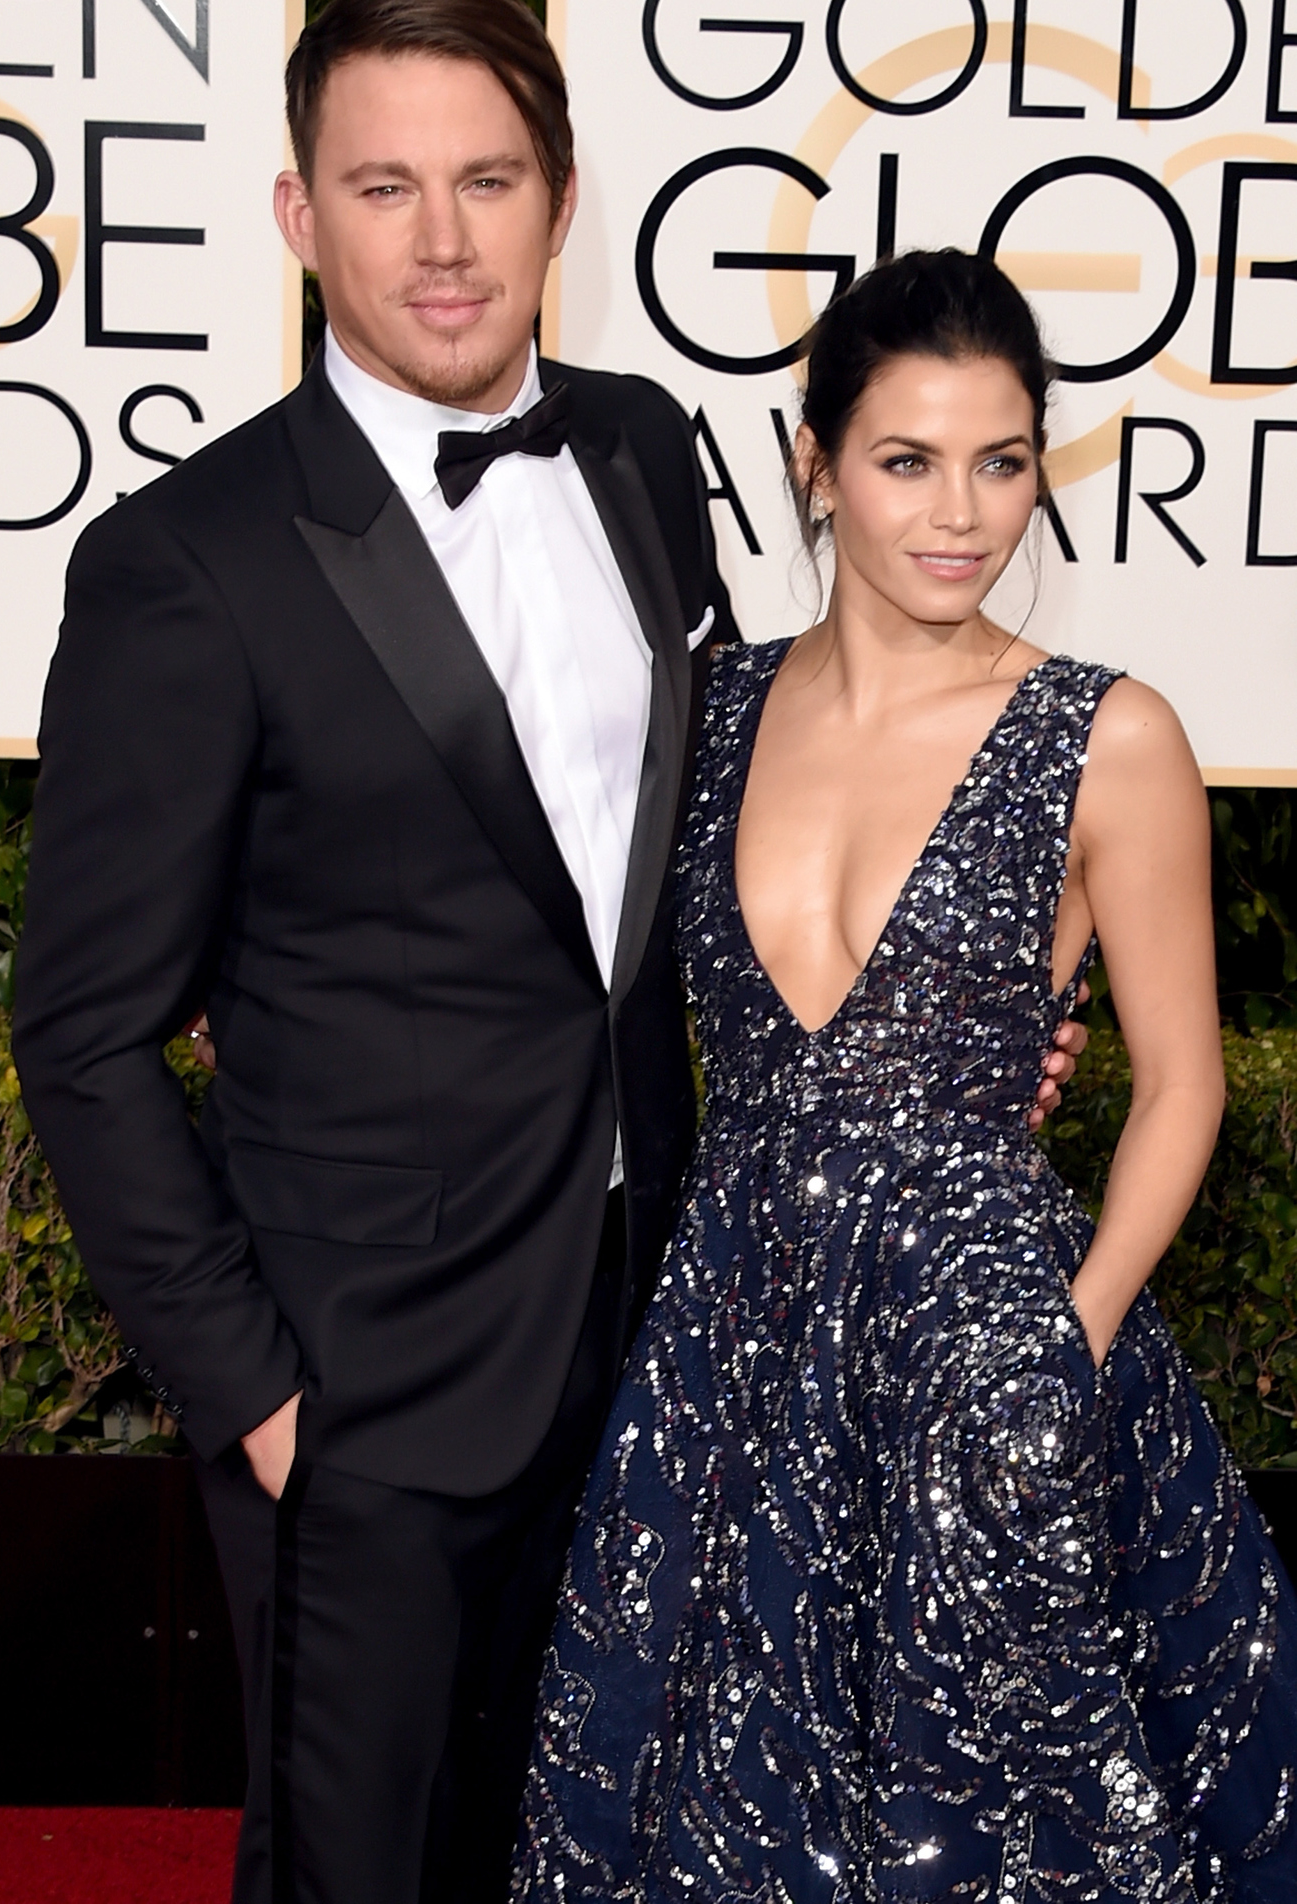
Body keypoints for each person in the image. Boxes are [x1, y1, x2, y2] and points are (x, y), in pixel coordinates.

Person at [11, 0, 1082, 1904]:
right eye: (385, 186)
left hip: (656, 1329)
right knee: (361, 1869)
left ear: (564, 199)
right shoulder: (189, 564)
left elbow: (714, 848)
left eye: (489, 181)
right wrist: (260, 1398)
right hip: (365, 1393)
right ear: (297, 213)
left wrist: (933, 1010)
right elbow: (80, 1035)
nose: (442, 243)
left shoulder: (641, 452)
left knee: (598, 1851)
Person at [513, 250, 1297, 1902]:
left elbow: (1183, 1084)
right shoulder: (707, 709)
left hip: (989, 1348)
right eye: (908, 460)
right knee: (709, 1827)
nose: (964, 513)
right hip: (731, 1361)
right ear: (814, 463)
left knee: (1001, 1836)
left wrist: (1055, 1356)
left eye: (1003, 461)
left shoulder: (1110, 732)